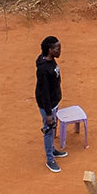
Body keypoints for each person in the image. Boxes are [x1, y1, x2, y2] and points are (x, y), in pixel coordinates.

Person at [36, 35, 67, 173]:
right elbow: (44, 93)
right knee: (48, 131)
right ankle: (50, 160)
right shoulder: (43, 70)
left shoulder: (49, 60)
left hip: (54, 102)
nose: (60, 50)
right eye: (57, 48)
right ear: (50, 50)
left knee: (53, 128)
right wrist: (48, 113)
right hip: (48, 105)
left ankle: (52, 150)